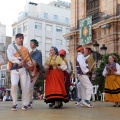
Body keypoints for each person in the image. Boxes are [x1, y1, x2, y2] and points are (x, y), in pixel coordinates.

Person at [7, 33, 31, 111]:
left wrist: (30, 64)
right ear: (16, 38)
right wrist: (17, 61)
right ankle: (14, 103)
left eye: (22, 38)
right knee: (14, 85)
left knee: (25, 87)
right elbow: (10, 57)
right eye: (19, 38)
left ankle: (25, 104)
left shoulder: (25, 49)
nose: (21, 39)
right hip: (14, 68)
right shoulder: (11, 46)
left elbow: (27, 60)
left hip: (23, 69)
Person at [27, 39, 42, 109]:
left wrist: (31, 62)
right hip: (28, 71)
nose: (31, 44)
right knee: (27, 86)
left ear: (35, 44)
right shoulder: (29, 53)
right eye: (30, 43)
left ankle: (30, 101)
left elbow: (36, 61)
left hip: (35, 71)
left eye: (32, 43)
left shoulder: (38, 52)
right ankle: (28, 100)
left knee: (30, 85)